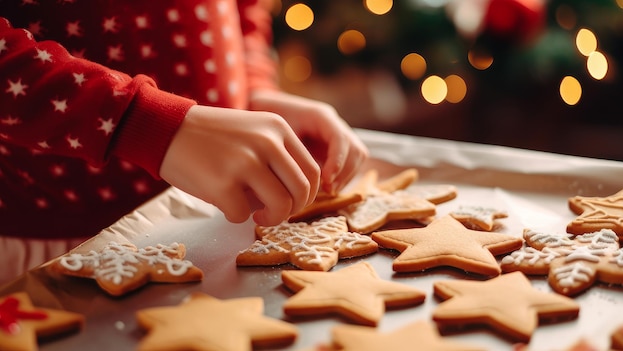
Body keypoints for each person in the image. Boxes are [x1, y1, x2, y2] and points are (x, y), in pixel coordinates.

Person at [0, 0, 368, 280]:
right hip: (53, 239)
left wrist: (250, 91)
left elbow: (242, 11)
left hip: (214, 226)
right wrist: (140, 121)